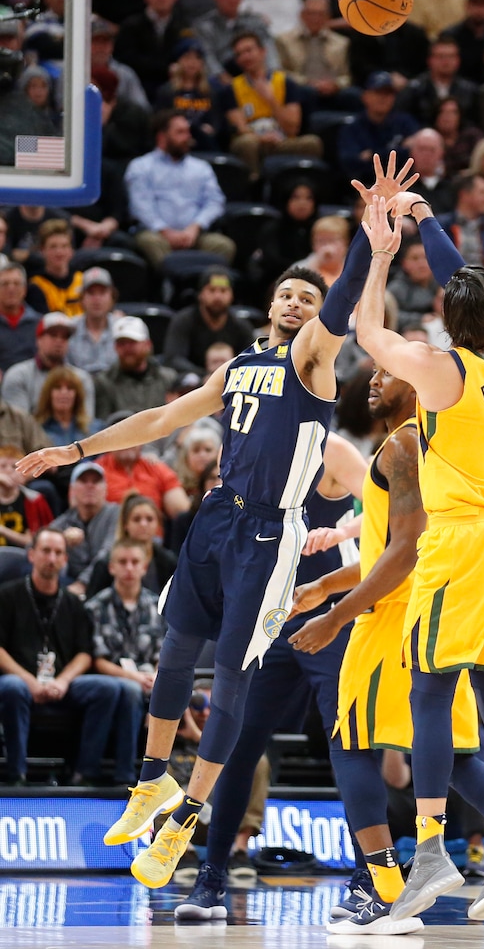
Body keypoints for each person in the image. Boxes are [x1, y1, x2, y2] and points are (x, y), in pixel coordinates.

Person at [17, 153, 417, 889]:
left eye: (308, 295)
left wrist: (369, 236)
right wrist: (72, 448)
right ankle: (151, 781)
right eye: (288, 294)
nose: (299, 302)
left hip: (269, 532)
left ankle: (186, 821)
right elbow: (161, 418)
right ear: (268, 307)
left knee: (231, 680)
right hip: (214, 518)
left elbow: (342, 308)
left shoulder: (313, 359)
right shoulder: (236, 368)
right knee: (175, 656)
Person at [354, 192, 484, 924]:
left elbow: (365, 327)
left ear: (449, 319)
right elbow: (464, 280)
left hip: (462, 543)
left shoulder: (439, 372)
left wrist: (380, 253)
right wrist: (426, 219)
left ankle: (430, 850)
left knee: (430, 693)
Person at [173, 429, 367, 922]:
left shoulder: (335, 451)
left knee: (347, 740)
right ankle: (212, 876)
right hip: (270, 614)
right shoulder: (250, 447)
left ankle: (370, 878)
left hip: (330, 613)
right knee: (237, 739)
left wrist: (343, 532)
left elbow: (390, 513)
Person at [0, 528, 122, 785]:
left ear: (66, 560)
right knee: (11, 687)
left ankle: (84, 774)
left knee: (107, 689)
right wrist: (29, 681)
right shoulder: (7, 596)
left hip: (62, 684)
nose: (52, 558)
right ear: (31, 555)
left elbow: (84, 654)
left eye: (58, 553)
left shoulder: (74, 603)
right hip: (20, 681)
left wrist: (63, 681)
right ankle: (16, 775)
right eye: (46, 551)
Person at [86, 538, 165, 786]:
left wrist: (155, 676)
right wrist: (135, 678)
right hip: (111, 678)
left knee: (177, 690)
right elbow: (97, 661)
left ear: (144, 567)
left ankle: (165, 777)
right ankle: (125, 777)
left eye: (135, 562)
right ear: (112, 567)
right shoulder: (95, 607)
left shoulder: (156, 606)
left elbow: (164, 655)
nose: (129, 568)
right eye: (122, 562)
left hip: (149, 678)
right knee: (130, 691)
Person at [125, 111, 235, 272]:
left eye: (187, 131)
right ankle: (169, 290)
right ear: (162, 137)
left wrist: (195, 227)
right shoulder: (141, 166)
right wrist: (165, 231)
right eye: (180, 132)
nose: (187, 138)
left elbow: (215, 201)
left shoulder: (201, 168)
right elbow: (140, 206)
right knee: (151, 242)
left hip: (193, 235)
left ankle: (205, 290)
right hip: (157, 234)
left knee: (223, 246)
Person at [223, 30, 324, 181]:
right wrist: (260, 138)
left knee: (312, 143)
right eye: (239, 54)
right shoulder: (232, 88)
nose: (245, 57)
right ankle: (253, 186)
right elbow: (240, 128)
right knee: (246, 143)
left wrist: (270, 99)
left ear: (263, 51)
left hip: (281, 141)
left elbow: (292, 128)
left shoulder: (285, 82)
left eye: (249, 50)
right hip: (254, 141)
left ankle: (302, 187)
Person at [113, 0, 192, 103]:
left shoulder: (183, 26)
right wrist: (166, 68)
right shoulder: (130, 25)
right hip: (139, 85)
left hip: (174, 86)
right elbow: (126, 59)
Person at [1, 312, 95, 420]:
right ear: (39, 339)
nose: (59, 341)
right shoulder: (18, 375)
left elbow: (87, 424)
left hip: (77, 436)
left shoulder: (81, 378)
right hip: (31, 436)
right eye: (53, 335)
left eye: (65, 337)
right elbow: (18, 425)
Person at [162, 267, 255, 376]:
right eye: (212, 290)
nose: (218, 296)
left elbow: (251, 361)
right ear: (201, 294)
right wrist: (204, 376)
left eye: (223, 291)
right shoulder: (183, 321)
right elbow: (173, 359)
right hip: (194, 382)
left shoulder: (241, 326)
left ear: (231, 295)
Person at [87, 492, 178, 599]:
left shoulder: (169, 561)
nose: (143, 524)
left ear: (157, 524)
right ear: (125, 524)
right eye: (136, 519)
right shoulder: (105, 563)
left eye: (149, 519)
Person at [274, 0, 355, 113]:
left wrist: (335, 85)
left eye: (320, 14)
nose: (315, 18)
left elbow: (346, 76)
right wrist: (308, 82)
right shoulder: (284, 40)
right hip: (302, 89)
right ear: (301, 15)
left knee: (354, 95)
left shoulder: (341, 42)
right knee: (307, 93)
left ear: (328, 17)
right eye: (311, 13)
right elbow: (280, 73)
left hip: (333, 91)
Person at [49, 462, 120, 597]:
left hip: (109, 583)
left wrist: (83, 583)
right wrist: (61, 541)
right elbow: (36, 544)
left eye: (96, 481)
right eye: (83, 481)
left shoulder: (115, 514)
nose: (90, 486)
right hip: (71, 583)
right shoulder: (66, 520)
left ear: (106, 489)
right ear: (72, 490)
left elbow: (108, 552)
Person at [93, 317, 177, 421]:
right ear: (115, 347)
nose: (127, 348)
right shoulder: (104, 382)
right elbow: (103, 425)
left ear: (147, 345)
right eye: (121, 343)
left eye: (132, 342)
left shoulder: (168, 378)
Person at [65, 267, 118, 376]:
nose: (97, 299)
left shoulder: (121, 328)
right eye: (91, 293)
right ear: (82, 298)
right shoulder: (68, 329)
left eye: (102, 293)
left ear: (112, 296)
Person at [34, 366, 102, 448]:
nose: (64, 393)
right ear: (48, 394)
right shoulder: (35, 430)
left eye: (70, 388)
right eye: (58, 388)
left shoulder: (95, 428)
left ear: (77, 395)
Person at [0, 445, 54, 549]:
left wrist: (2, 530)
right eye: (3, 466)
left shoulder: (35, 500)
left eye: (14, 467)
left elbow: (37, 541)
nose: (8, 471)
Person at [26, 219, 82, 317]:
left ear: (71, 250)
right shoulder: (36, 286)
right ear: (42, 250)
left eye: (64, 246)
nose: (59, 252)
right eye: (53, 247)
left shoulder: (82, 280)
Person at [0, 262, 43, 375]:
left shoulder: (39, 323)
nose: (11, 289)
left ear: (24, 289)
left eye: (16, 283)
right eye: (5, 284)